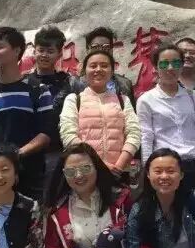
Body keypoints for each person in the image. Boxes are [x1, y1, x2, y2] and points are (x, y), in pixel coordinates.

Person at [0, 26, 54, 200]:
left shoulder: (38, 90)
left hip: (31, 174)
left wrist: (16, 155)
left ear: (17, 50)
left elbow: (46, 133)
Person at [137, 44, 195, 194]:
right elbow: (146, 138)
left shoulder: (192, 96)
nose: (170, 68)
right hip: (164, 169)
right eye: (164, 64)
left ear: (182, 66)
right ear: (156, 67)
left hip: (194, 165)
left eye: (176, 63)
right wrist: (148, 173)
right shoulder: (146, 100)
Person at [59, 49, 141, 178]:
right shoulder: (74, 100)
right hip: (85, 173)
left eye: (104, 66)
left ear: (112, 71)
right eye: (93, 66)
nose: (98, 69)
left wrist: (119, 166)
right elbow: (68, 135)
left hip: (119, 172)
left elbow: (134, 132)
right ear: (84, 71)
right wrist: (100, 165)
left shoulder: (123, 100)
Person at [30, 26, 72, 182]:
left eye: (50, 51)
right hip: (30, 151)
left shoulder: (68, 84)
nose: (44, 55)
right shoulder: (24, 83)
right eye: (41, 50)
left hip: (59, 152)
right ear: (34, 51)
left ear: (59, 54)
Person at [68, 27, 136, 107]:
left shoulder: (125, 85)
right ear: (87, 50)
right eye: (95, 47)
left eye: (106, 47)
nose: (100, 51)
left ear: (111, 51)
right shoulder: (74, 84)